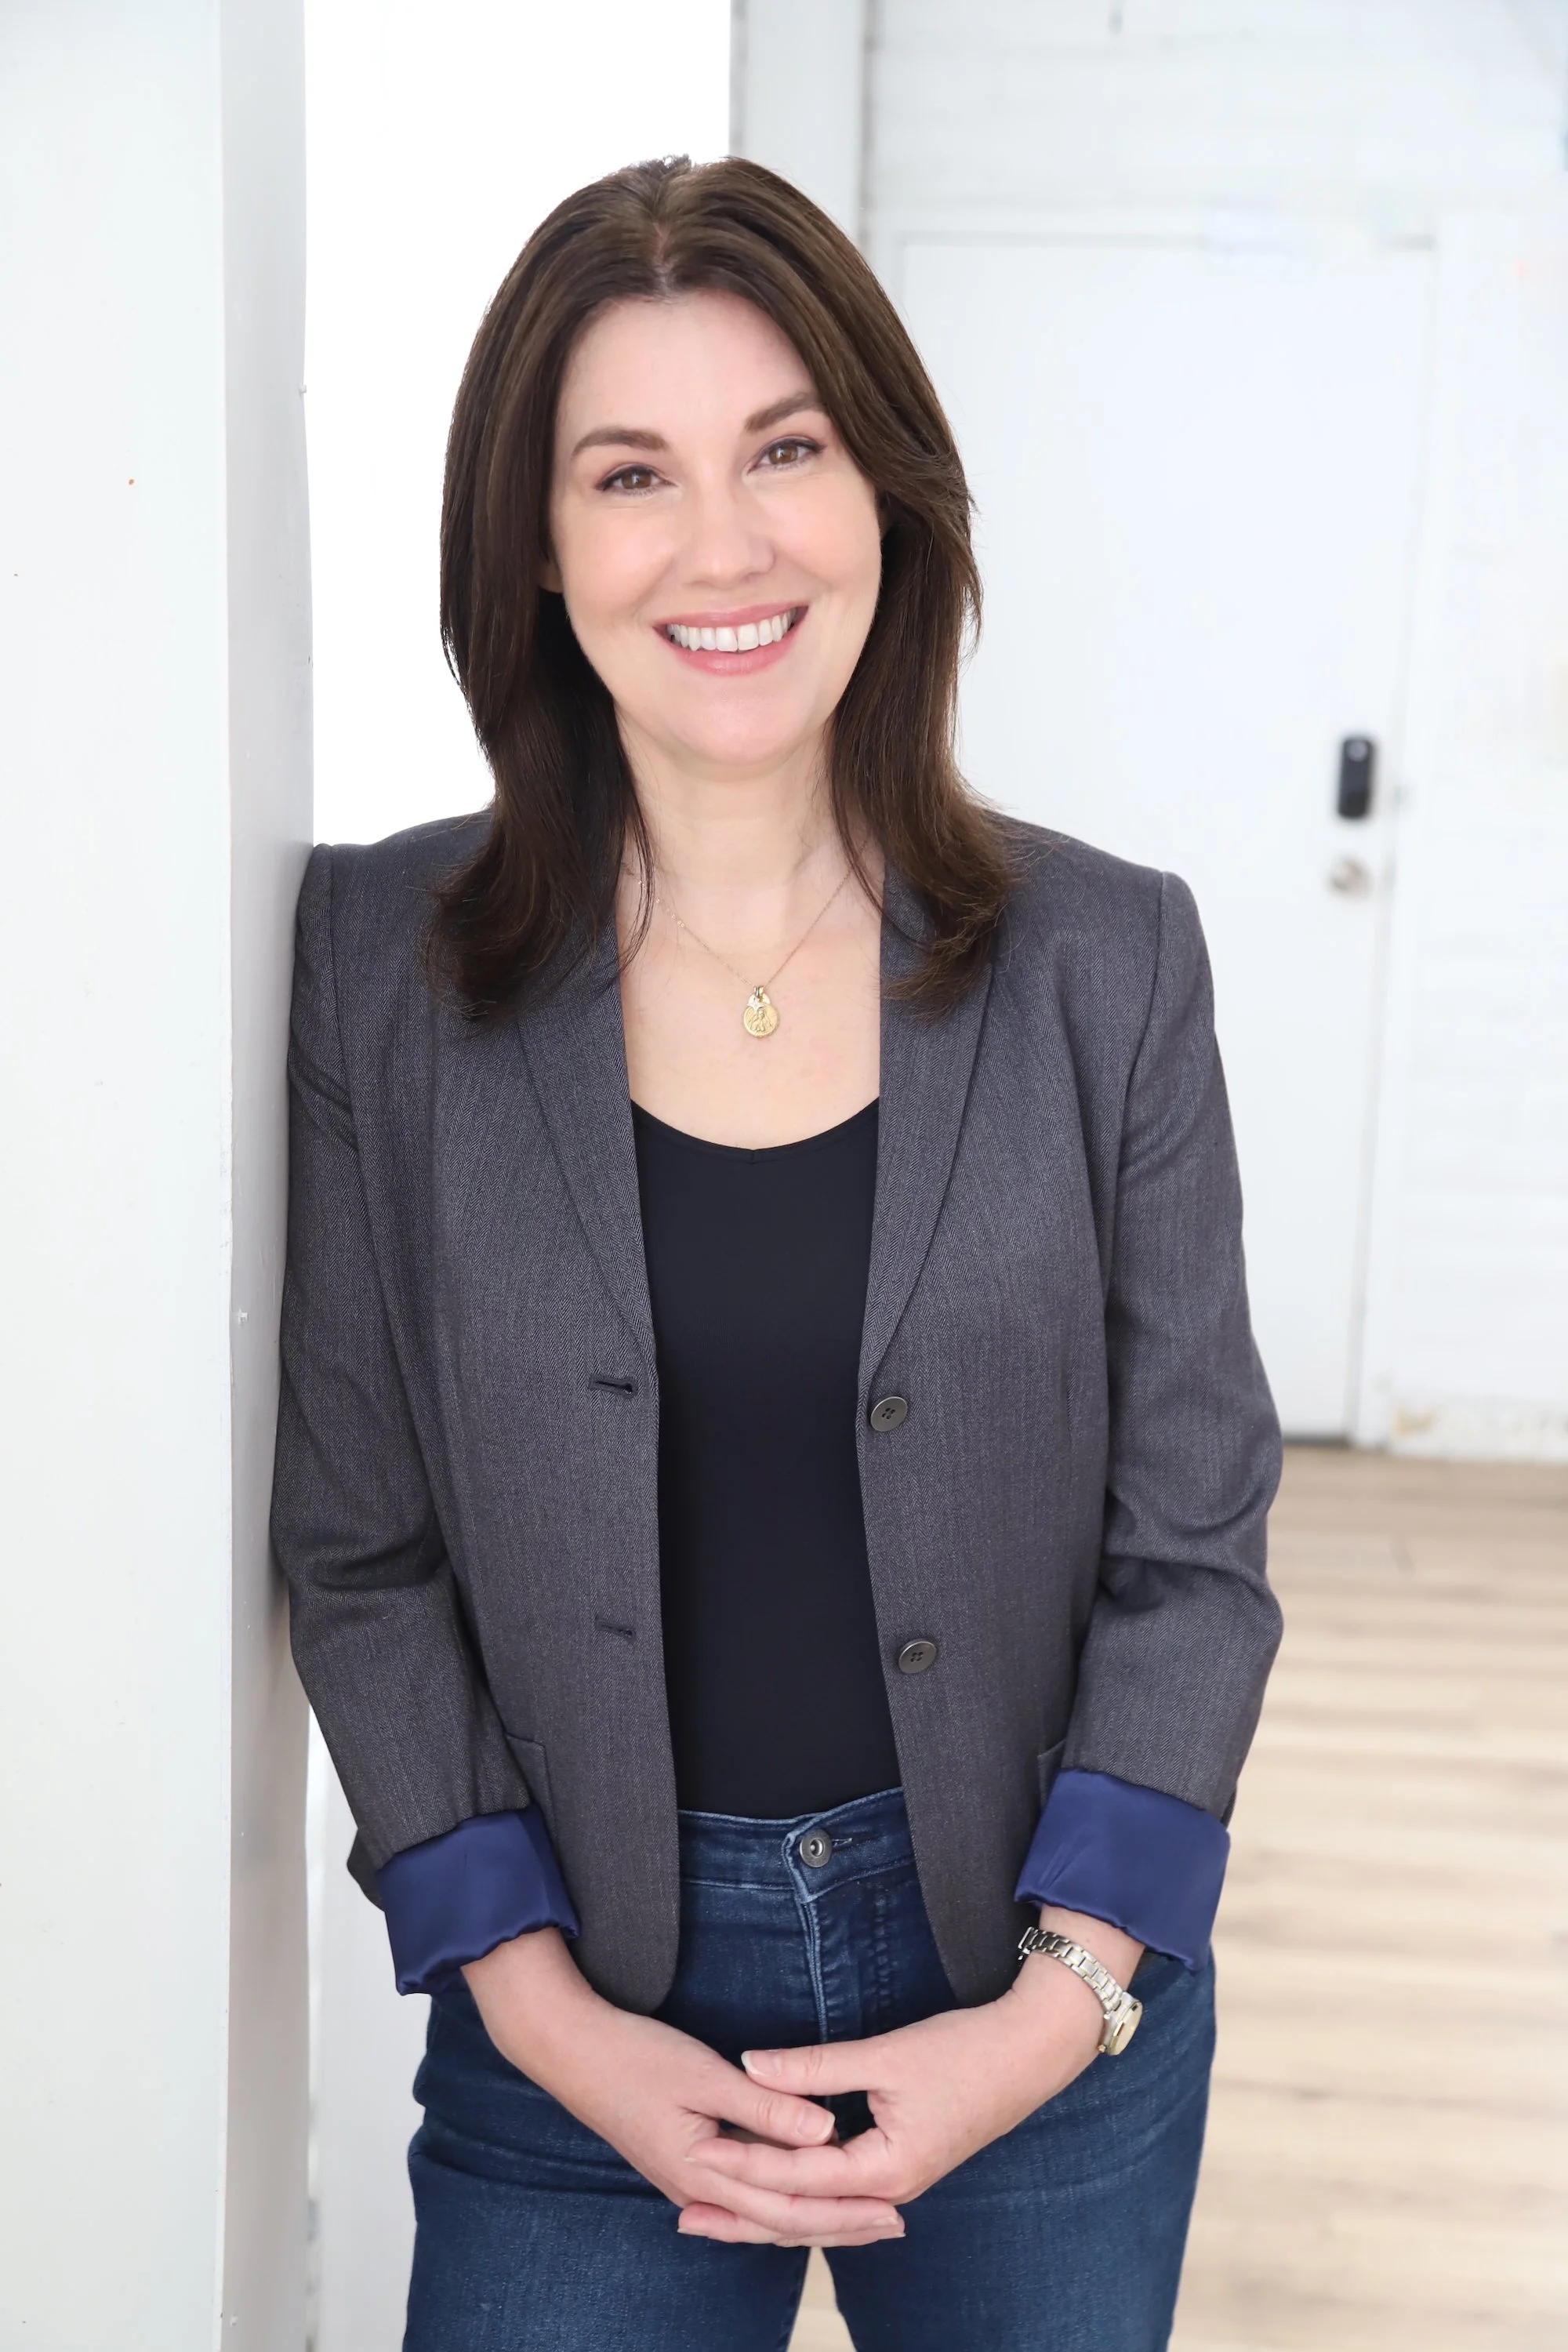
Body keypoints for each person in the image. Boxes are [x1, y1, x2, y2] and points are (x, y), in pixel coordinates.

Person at [271, 155, 1283, 2352]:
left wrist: (1049, 2015)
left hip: (1043, 2004)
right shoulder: (380, 965)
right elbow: (358, 1548)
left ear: (889, 498)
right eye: (631, 473)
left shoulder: (1110, 962)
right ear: (537, 550)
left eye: (787, 450)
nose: (722, 548)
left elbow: (1194, 1548)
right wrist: (542, 2013)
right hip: (580, 2013)